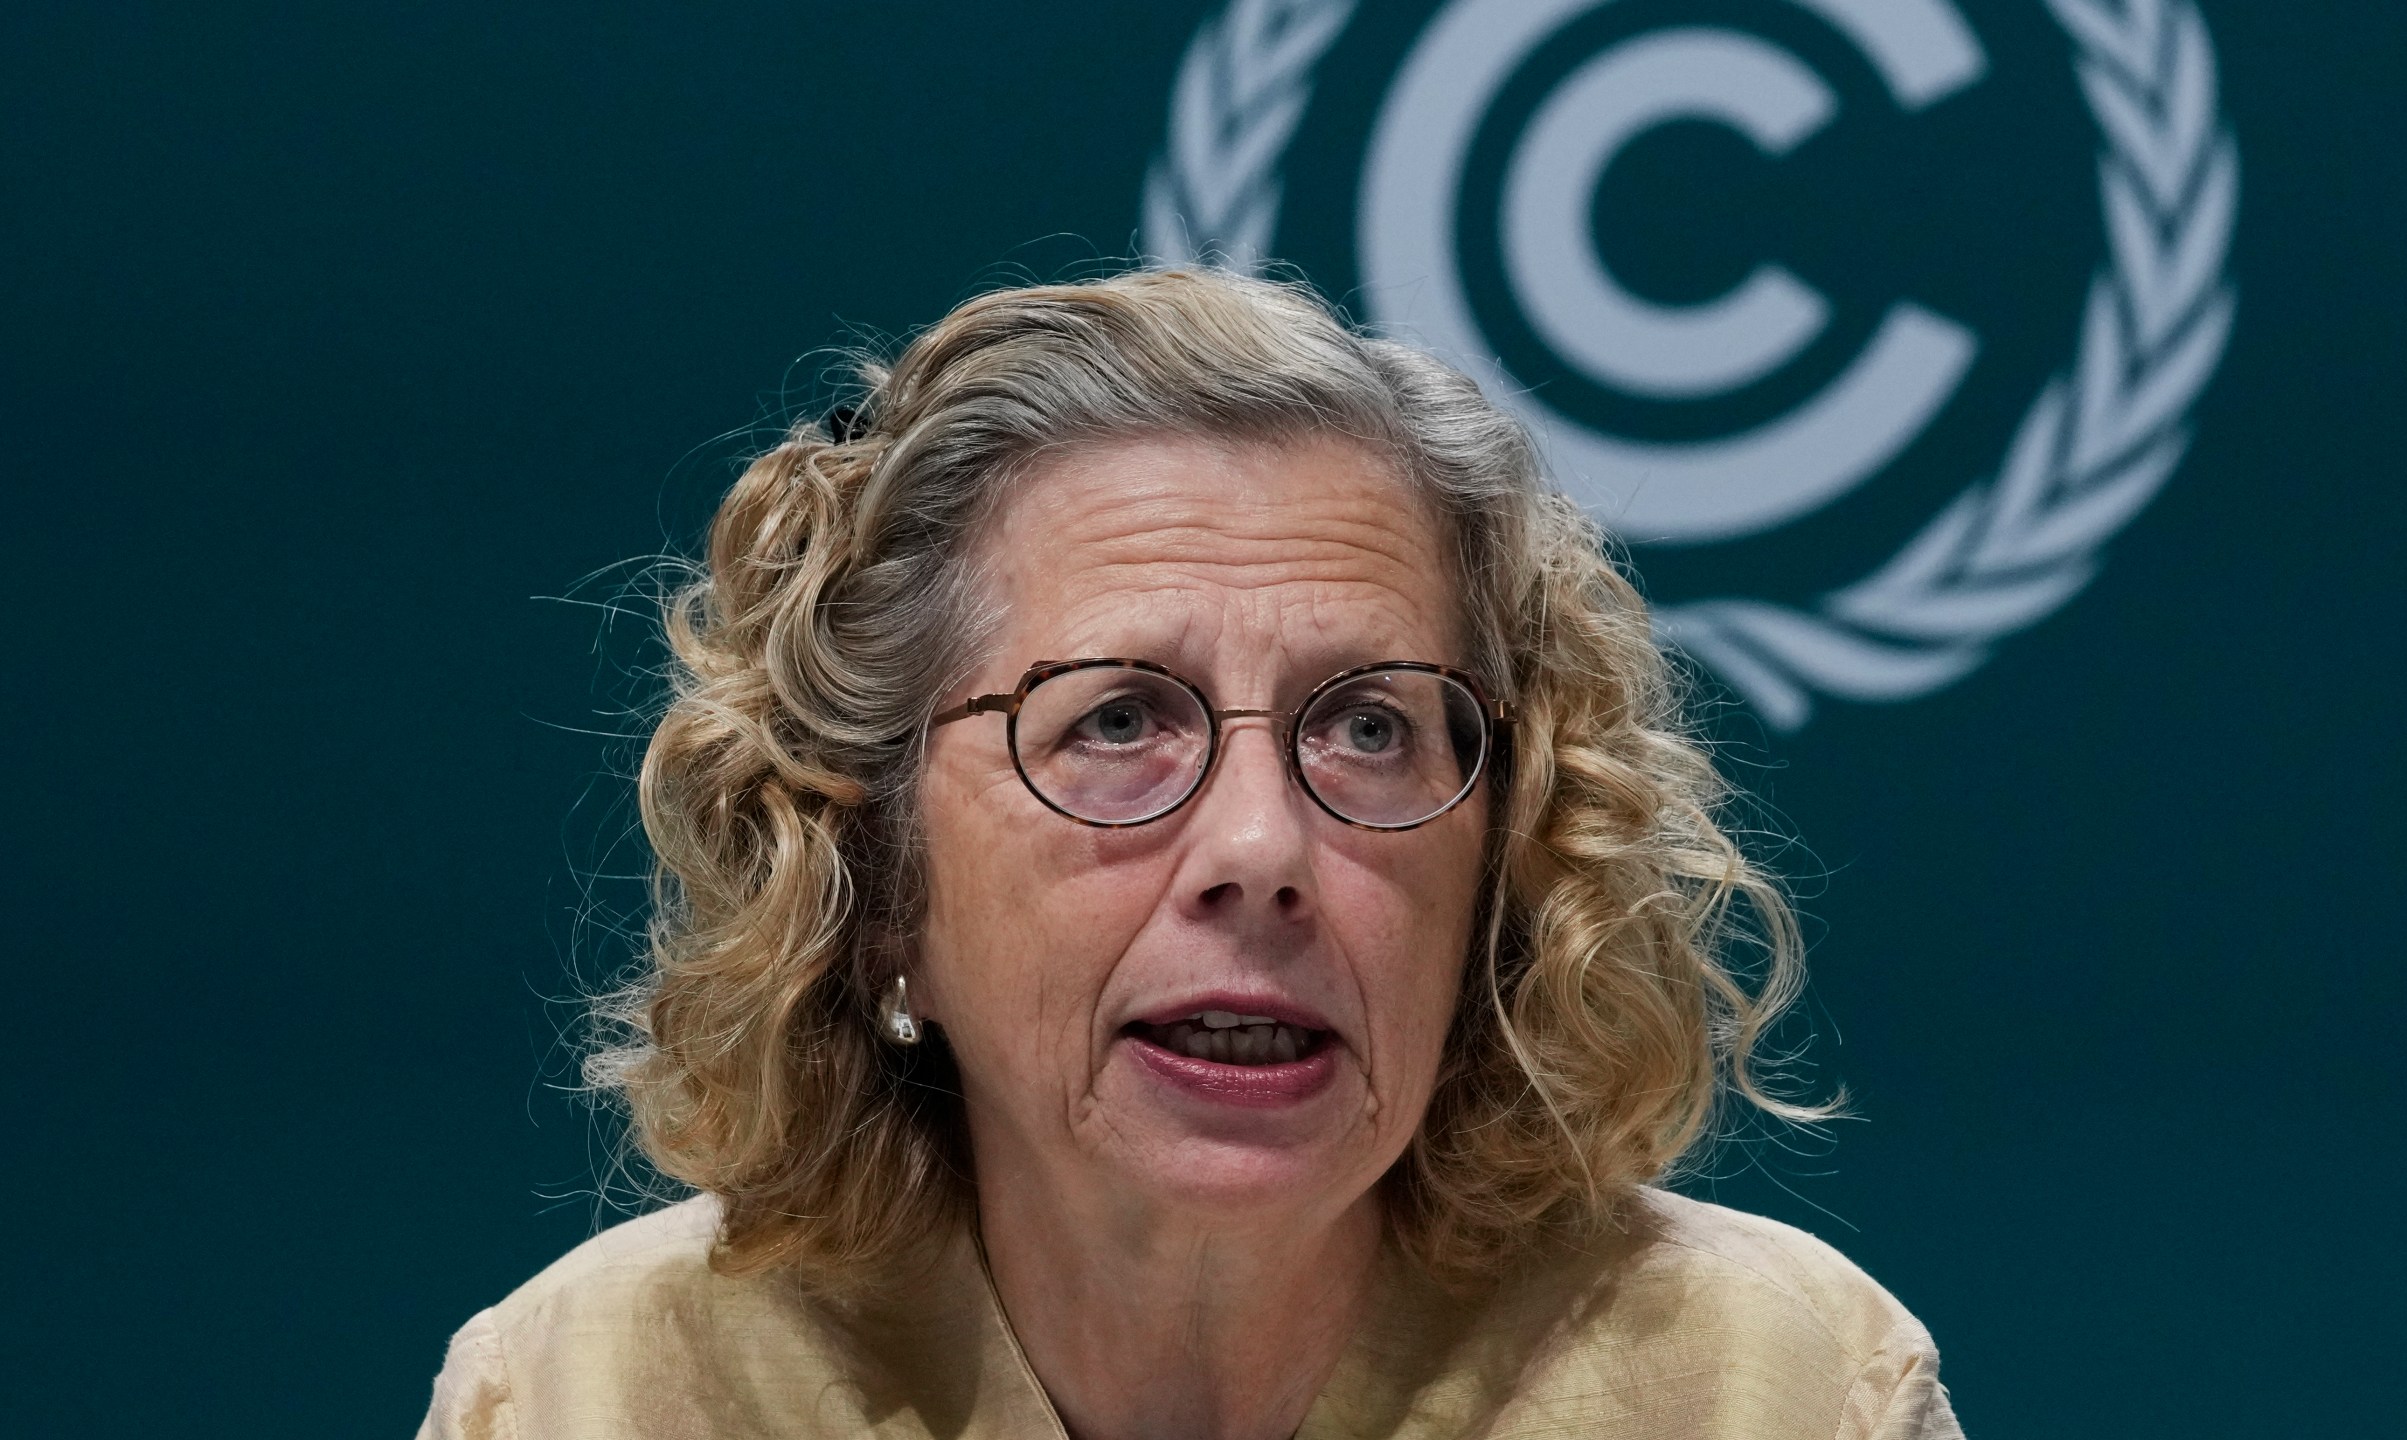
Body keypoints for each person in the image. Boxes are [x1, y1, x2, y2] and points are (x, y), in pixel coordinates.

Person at [417, 268, 1963, 1440]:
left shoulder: (1779, 1389)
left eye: (1370, 727)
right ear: (875, 880)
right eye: (1115, 723)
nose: (1258, 848)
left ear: (1503, 871)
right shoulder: (594, 1394)